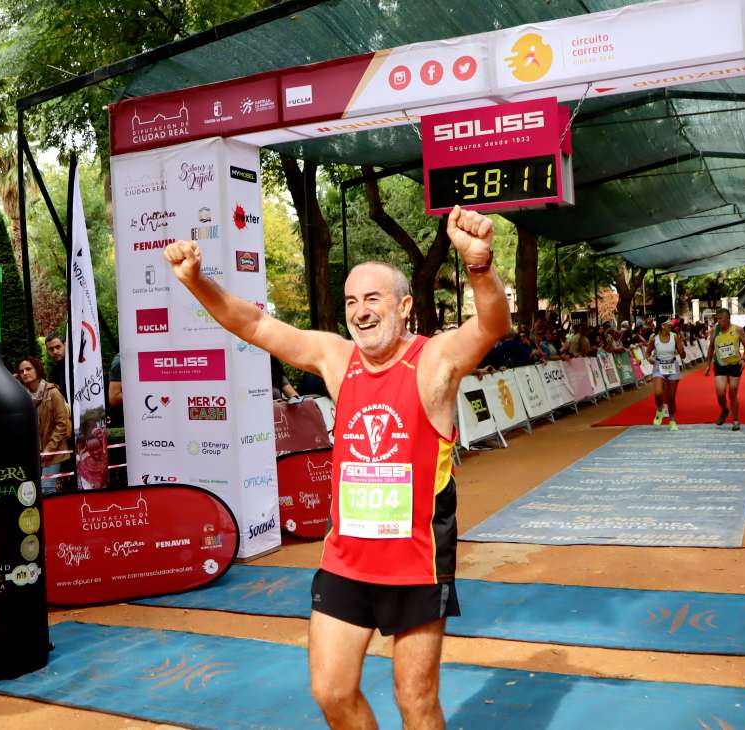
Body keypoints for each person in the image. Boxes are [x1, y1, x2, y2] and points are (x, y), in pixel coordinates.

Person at [164, 204, 510, 728]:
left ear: (405, 306)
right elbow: (254, 322)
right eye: (351, 301)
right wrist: (196, 281)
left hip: (415, 564)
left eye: (373, 298)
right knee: (331, 692)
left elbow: (491, 325)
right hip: (346, 560)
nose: (361, 310)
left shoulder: (433, 360)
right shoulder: (337, 358)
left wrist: (480, 266)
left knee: (415, 701)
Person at [15, 356, 71, 495]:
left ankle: (53, 517)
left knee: (47, 488)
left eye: (28, 369)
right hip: (33, 453)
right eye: (21, 371)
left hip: (53, 450)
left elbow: (61, 424)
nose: (25, 373)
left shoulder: (53, 392)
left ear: (37, 370)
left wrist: (49, 449)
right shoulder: (21, 396)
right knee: (32, 492)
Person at [704, 308, 745, 431]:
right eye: (717, 319)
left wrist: (743, 359)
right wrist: (708, 365)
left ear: (728, 319)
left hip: (735, 365)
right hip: (720, 365)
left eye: (720, 319)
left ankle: (735, 419)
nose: (718, 321)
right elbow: (710, 348)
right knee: (720, 393)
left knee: (733, 392)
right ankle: (725, 410)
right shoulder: (715, 330)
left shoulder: (737, 330)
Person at [645, 318, 686, 430]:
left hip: (672, 367)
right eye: (669, 324)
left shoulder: (674, 336)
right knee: (658, 393)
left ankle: (672, 421)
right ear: (663, 325)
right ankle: (660, 409)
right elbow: (647, 353)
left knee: (671, 397)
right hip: (659, 367)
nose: (671, 326)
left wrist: (682, 352)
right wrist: (650, 359)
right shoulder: (655, 339)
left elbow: (683, 355)